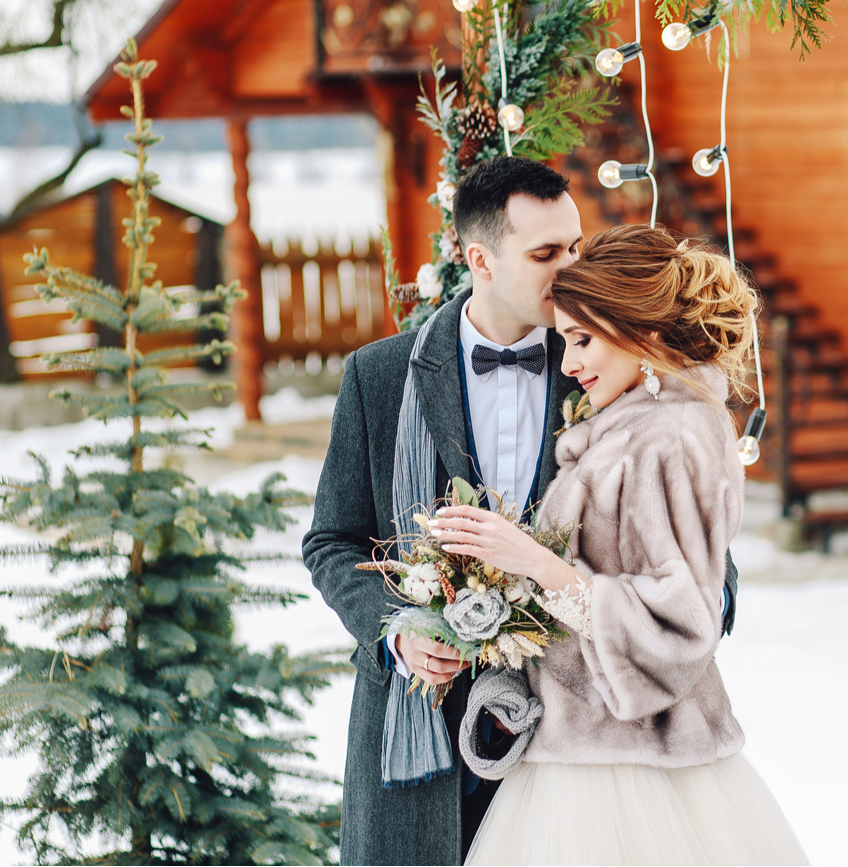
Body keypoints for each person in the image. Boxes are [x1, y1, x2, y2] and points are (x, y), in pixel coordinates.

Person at [302, 158, 741, 865]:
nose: (571, 268)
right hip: (416, 738)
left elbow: (693, 558)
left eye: (575, 245)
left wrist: (671, 631)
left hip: (575, 750)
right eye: (546, 254)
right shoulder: (378, 378)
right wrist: (398, 634)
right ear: (479, 258)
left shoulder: (604, 370)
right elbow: (332, 539)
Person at [428, 224, 808, 865]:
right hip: (578, 746)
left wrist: (535, 565)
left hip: (629, 765)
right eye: (563, 340)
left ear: (645, 334)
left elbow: (683, 622)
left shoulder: (670, 438)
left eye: (582, 340)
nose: (568, 363)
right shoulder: (630, 426)